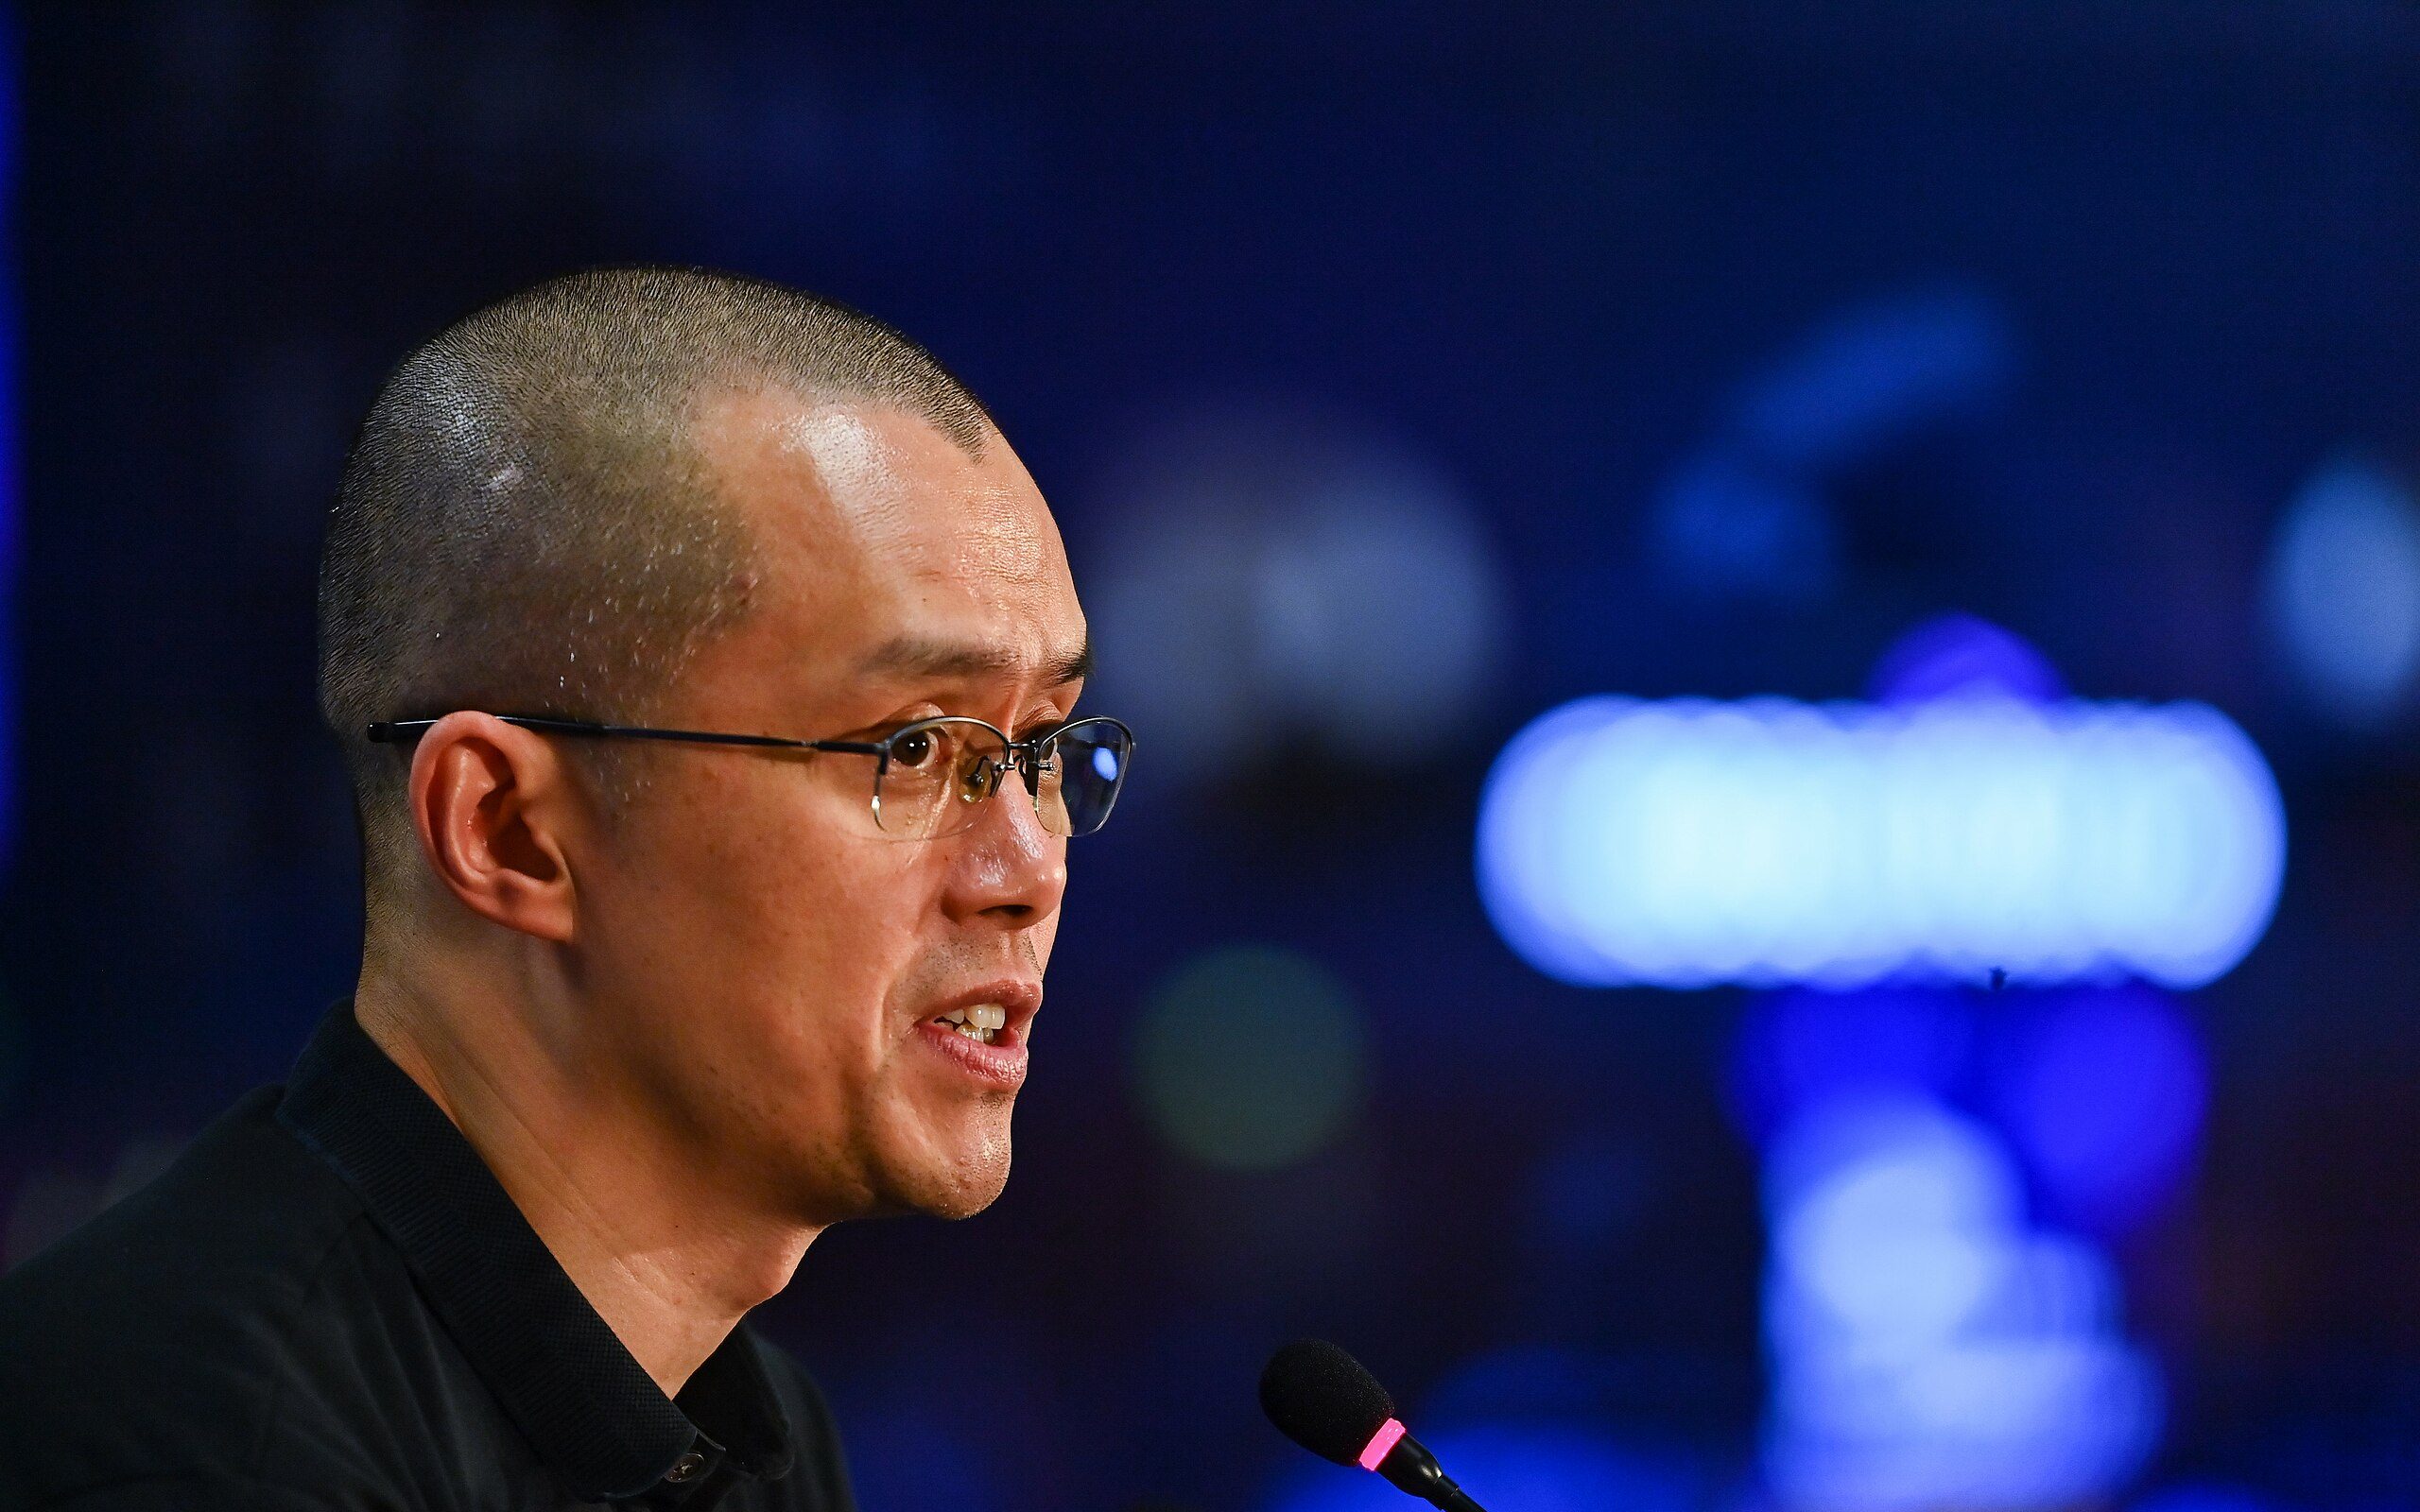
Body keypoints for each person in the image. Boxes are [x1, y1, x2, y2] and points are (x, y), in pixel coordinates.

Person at [0, 266, 1132, 1510]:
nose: (1026, 869)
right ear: (509, 830)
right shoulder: (207, 1460)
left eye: (1043, 750)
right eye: (913, 747)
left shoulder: (754, 1432)